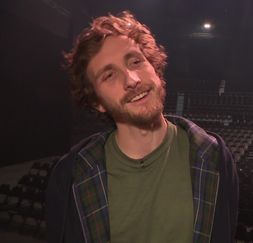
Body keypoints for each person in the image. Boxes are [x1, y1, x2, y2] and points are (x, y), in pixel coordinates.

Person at [46, 11, 238, 243]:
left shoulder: (215, 156)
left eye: (136, 61)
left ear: (155, 69)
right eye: (109, 75)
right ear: (97, 102)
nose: (132, 80)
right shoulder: (71, 175)